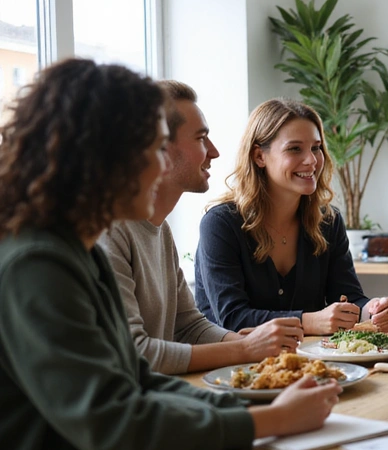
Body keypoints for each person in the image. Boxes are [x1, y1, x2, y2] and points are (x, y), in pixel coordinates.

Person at [0, 59, 341, 450]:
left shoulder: (80, 252)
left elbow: (138, 377)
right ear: (107, 156)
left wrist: (256, 405)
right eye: (155, 148)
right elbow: (116, 426)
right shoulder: (37, 264)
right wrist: (272, 420)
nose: (163, 166)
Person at [98, 80, 305, 374]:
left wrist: (247, 343)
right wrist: (245, 349)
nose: (214, 152)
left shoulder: (159, 229)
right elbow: (134, 353)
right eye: (201, 138)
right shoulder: (109, 231)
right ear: (159, 148)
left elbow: (188, 326)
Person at [194, 98, 388, 335]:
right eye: (294, 149)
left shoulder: (328, 222)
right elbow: (232, 318)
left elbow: (347, 297)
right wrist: (308, 321)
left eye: (316, 148)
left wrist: (372, 310)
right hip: (231, 358)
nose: (312, 160)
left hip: (306, 357)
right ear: (259, 156)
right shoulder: (221, 224)